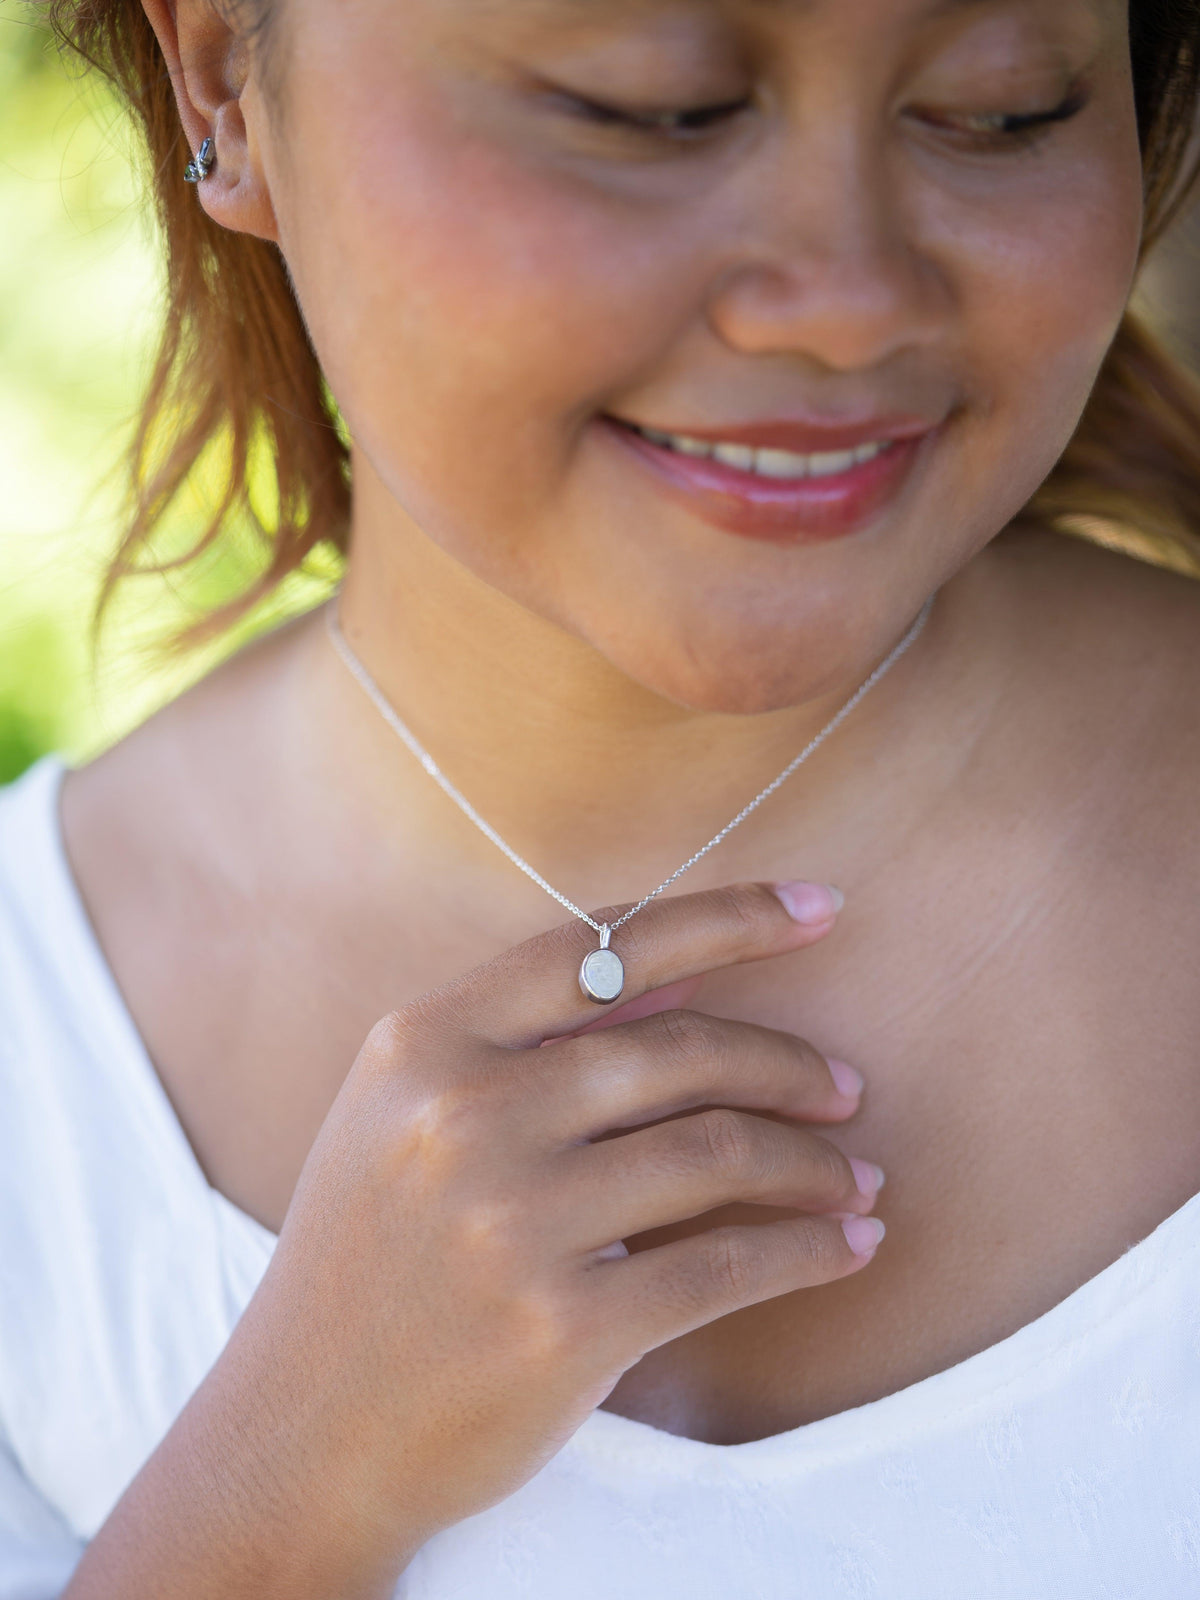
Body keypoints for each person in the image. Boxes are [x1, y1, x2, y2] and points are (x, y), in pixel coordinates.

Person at [3, 0, 1200, 1593]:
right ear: (224, 67)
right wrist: (279, 1484)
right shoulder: (43, 1048)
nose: (845, 304)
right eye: (650, 107)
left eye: (1001, 110)